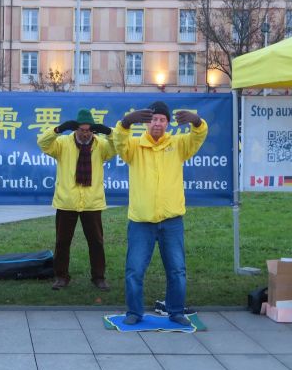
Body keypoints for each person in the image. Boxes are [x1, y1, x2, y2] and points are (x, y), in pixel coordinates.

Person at [113, 101, 208, 326]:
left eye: (162, 120)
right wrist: (125, 123)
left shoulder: (178, 144)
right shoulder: (134, 146)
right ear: (147, 123)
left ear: (168, 123)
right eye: (154, 119)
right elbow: (119, 141)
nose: (157, 123)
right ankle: (134, 312)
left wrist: (197, 122)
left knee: (177, 270)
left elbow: (198, 137)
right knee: (134, 270)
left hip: (171, 220)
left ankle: (176, 311)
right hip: (141, 221)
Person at [37, 108, 115, 291]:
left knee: (96, 242)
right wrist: (58, 129)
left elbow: (118, 145)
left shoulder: (101, 145)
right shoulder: (62, 143)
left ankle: (99, 278)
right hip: (67, 202)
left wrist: (109, 132)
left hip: (92, 203)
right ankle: (61, 277)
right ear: (75, 129)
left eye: (89, 130)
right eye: (82, 130)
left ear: (93, 130)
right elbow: (43, 143)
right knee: (62, 242)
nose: (85, 133)